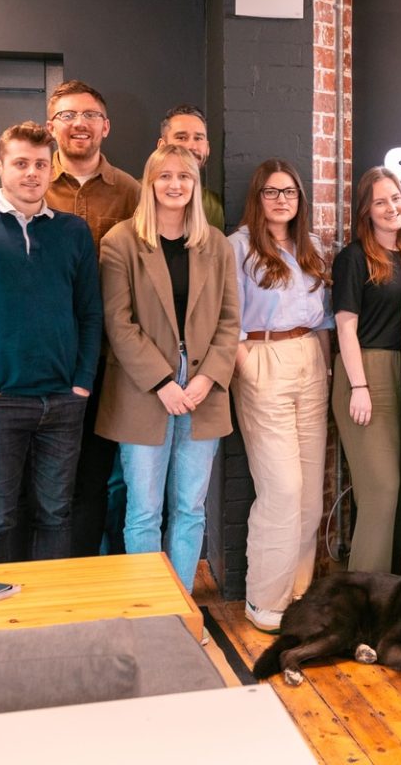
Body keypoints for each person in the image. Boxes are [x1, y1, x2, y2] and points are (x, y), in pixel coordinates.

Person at [0, 122, 102, 565]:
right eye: (21, 163)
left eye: (41, 165)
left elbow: (90, 314)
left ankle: (47, 606)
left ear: (52, 169)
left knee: (56, 515)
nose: (32, 173)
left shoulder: (73, 232)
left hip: (63, 401)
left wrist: (81, 383)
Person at [95, 144, 240, 593]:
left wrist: (206, 378)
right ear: (150, 183)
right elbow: (118, 323)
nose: (175, 185)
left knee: (190, 509)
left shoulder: (216, 245)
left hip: (202, 389)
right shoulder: (121, 241)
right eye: (165, 176)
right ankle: (150, 608)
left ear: (195, 184)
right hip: (143, 389)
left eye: (184, 177)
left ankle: (181, 605)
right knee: (143, 511)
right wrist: (162, 382)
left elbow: (230, 320)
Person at [229, 159, 333, 632]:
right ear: (258, 197)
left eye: (289, 192)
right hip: (262, 357)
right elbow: (226, 315)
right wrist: (246, 364)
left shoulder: (312, 247)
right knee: (282, 489)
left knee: (309, 494)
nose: (281, 200)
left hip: (310, 357)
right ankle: (264, 599)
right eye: (271, 192)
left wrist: (326, 367)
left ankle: (298, 594)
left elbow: (324, 317)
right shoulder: (238, 246)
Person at [44, 79, 142, 559]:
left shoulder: (131, 193)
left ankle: (86, 576)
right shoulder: (32, 183)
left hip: (108, 358)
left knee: (94, 478)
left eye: (89, 115)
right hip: (45, 358)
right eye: (67, 115)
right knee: (42, 479)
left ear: (106, 126)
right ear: (51, 126)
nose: (79, 123)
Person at [331, 166, 401, 573]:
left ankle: (390, 592)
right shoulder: (353, 258)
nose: (391, 208)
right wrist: (359, 386)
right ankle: (361, 596)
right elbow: (345, 327)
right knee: (381, 492)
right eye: (380, 202)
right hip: (366, 372)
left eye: (396, 198)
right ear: (366, 210)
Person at [158, 104, 223, 231]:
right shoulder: (135, 194)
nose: (191, 146)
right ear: (162, 146)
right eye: (181, 138)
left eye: (198, 138)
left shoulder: (214, 206)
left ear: (207, 148)